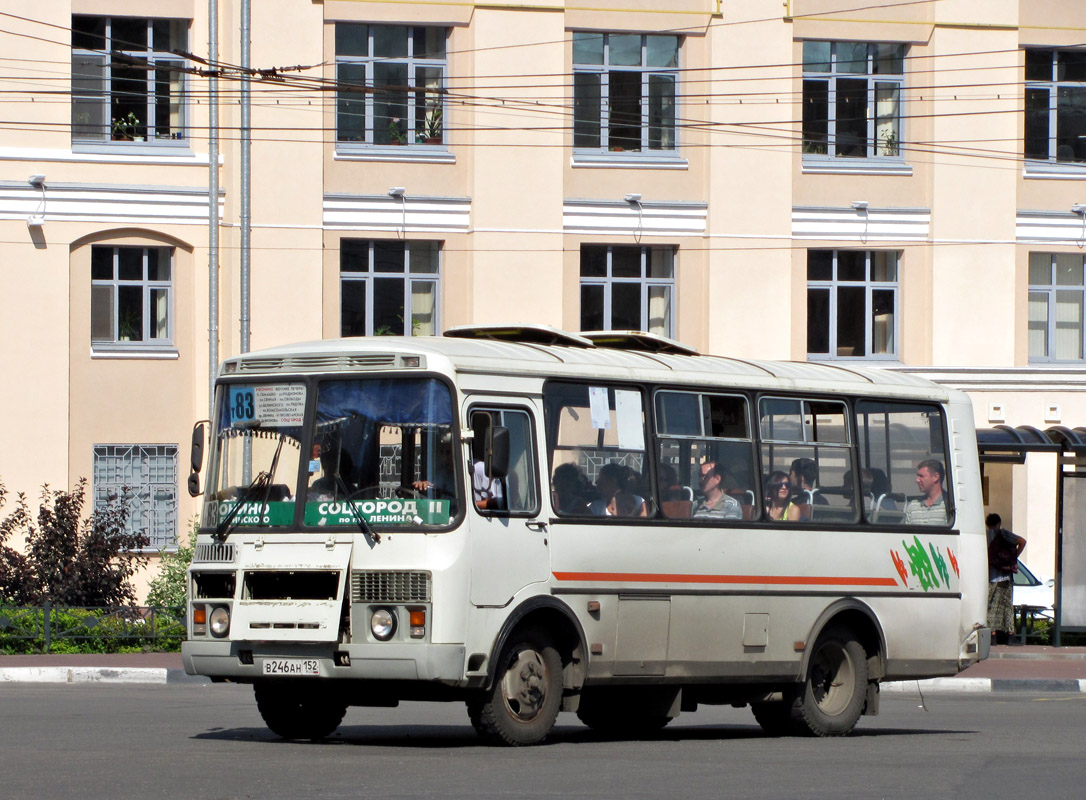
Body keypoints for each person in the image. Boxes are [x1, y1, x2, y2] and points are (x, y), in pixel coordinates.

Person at [986, 512, 1026, 644]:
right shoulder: (1005, 534)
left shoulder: (984, 536)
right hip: (1005, 576)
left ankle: (992, 635)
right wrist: (1013, 558)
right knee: (1006, 606)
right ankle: (1010, 635)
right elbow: (1022, 542)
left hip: (990, 576)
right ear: (999, 523)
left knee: (990, 606)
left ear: (987, 524)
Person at [903, 459, 948, 525]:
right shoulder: (913, 506)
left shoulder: (949, 505)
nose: (917, 480)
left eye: (921, 476)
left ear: (935, 477)